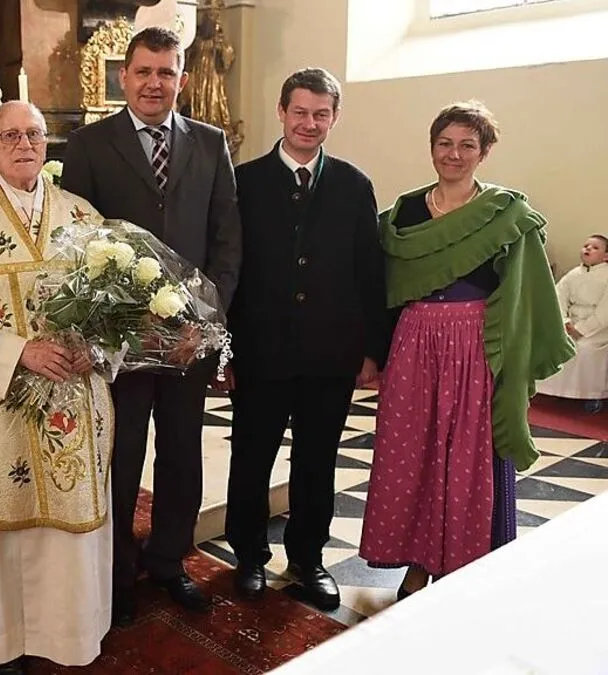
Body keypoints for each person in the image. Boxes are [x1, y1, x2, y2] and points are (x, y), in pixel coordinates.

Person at [61, 26, 242, 626]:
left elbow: (226, 238)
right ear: (125, 76)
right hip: (120, 340)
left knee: (183, 454)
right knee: (123, 453)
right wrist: (111, 327)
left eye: (166, 72)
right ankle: (114, 571)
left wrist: (205, 323)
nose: (154, 83)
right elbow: (74, 243)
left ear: (181, 80)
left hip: (188, 340)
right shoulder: (88, 144)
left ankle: (169, 560)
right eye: (144, 71)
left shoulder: (211, 144)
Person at [359, 101, 573, 599]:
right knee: (411, 450)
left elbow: (524, 292)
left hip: (477, 344)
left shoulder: (507, 213)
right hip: (414, 341)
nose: (454, 154)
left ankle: (462, 563)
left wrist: (511, 358)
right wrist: (374, 351)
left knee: (468, 454)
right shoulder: (403, 213)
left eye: (467, 145)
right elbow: (381, 287)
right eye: (444, 143)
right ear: (432, 147)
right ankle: (415, 563)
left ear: (485, 152)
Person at [0, 101, 113, 673]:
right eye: (8, 135)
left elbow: (117, 302)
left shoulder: (83, 217)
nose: (23, 144)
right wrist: (20, 352)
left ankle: (70, 632)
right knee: (0, 518)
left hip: (74, 399)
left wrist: (98, 346)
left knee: (69, 523)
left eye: (33, 133)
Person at [222, 68, 385, 611]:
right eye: (300, 112)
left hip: (329, 353)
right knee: (251, 458)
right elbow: (229, 267)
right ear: (281, 111)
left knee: (317, 460)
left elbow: (369, 271)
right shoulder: (242, 180)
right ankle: (249, 556)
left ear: (334, 117)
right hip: (260, 350)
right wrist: (225, 347)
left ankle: (309, 559)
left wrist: (370, 349)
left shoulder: (354, 185)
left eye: (321, 114)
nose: (309, 123)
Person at [536, 235, 608, 408]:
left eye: (595, 247)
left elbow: (604, 311)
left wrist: (581, 329)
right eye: (586, 245)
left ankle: (591, 395)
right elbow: (557, 298)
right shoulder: (573, 274)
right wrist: (564, 322)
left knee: (585, 349)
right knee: (552, 343)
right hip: (569, 324)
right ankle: (556, 390)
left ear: (606, 256)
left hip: (597, 329)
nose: (588, 249)